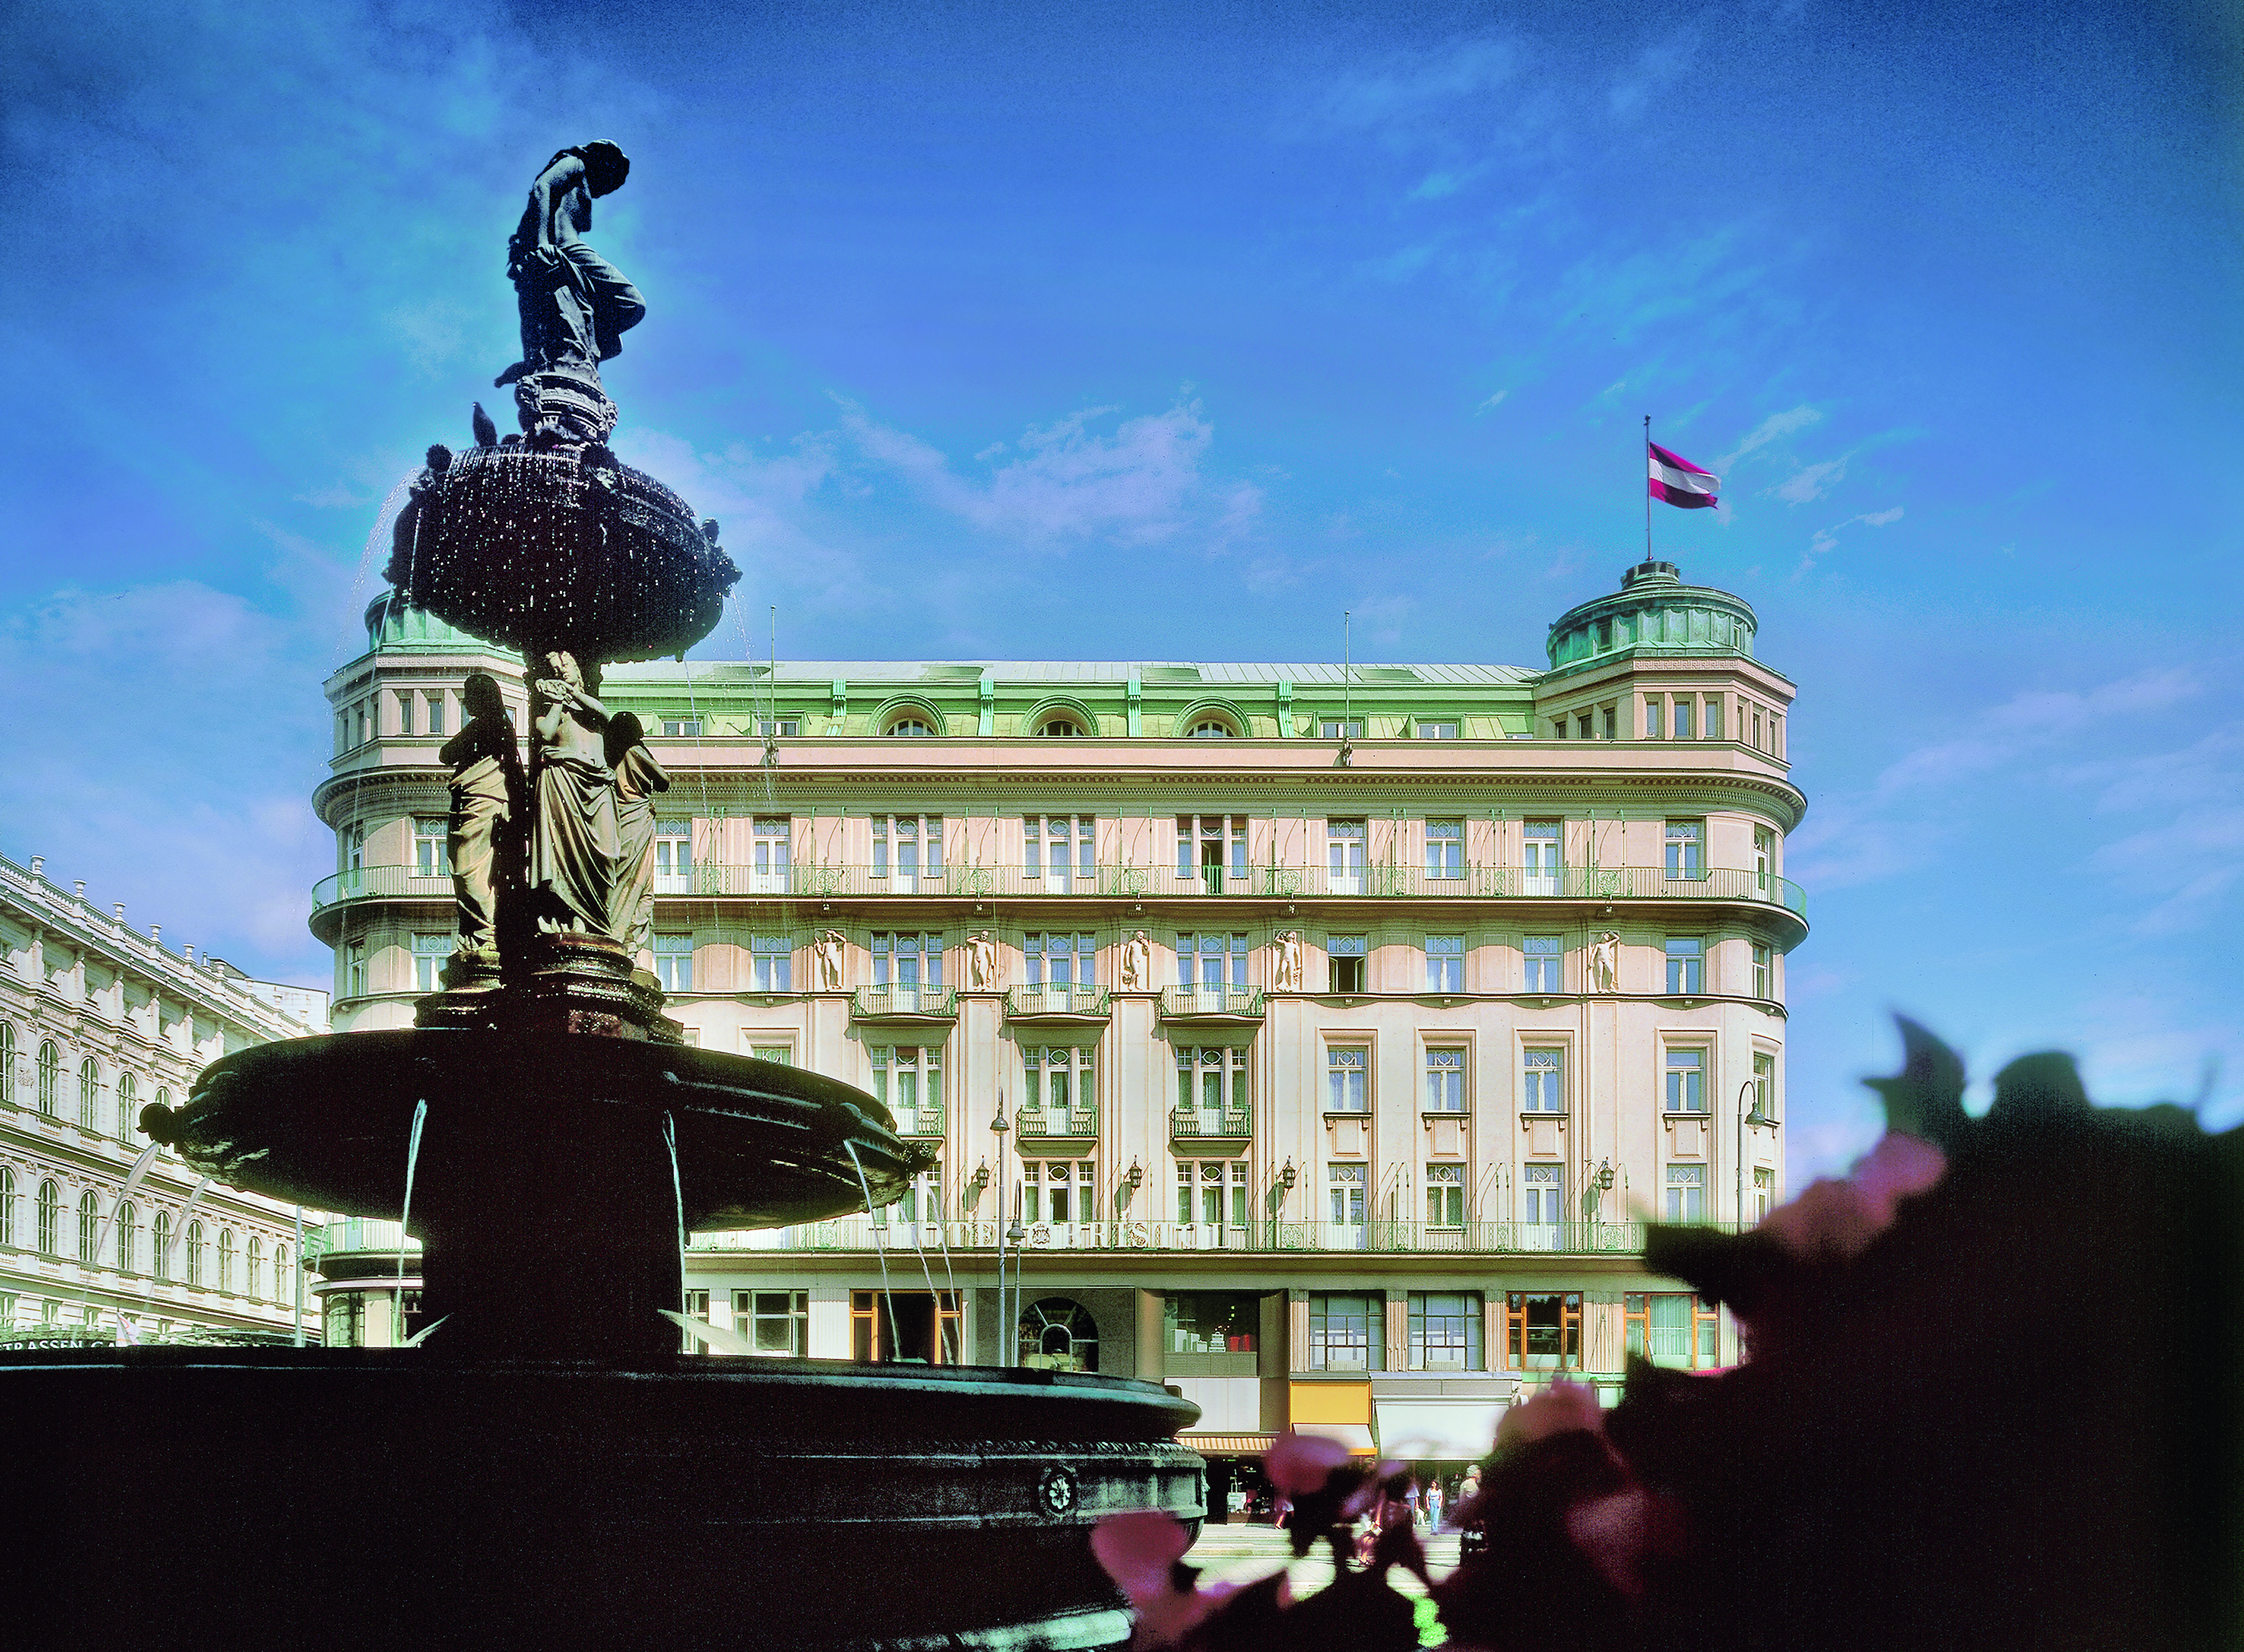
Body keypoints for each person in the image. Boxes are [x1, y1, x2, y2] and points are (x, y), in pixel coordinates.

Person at [497, 142, 644, 389]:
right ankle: (551, 355)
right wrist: (543, 241)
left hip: (571, 250)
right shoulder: (575, 164)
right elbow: (542, 187)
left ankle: (551, 355)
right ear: (603, 161)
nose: (608, 185)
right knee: (633, 303)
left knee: (611, 346)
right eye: (611, 173)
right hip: (568, 249)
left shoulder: (583, 181)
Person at [527, 650, 620, 937]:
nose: (561, 672)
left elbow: (603, 715)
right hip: (561, 781)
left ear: (579, 670)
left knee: (606, 851)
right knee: (562, 852)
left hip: (596, 784)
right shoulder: (550, 704)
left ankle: (596, 917)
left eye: (565, 666)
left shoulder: (589, 705)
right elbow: (545, 732)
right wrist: (557, 702)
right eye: (555, 670)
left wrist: (572, 694)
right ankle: (569, 917)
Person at [439, 672, 524, 970]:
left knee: (471, 871)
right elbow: (446, 755)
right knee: (467, 871)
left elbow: (447, 754)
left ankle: (488, 933)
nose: (465, 701)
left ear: (483, 697)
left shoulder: (494, 725)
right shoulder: (486, 727)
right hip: (470, 799)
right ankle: (480, 934)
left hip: (485, 802)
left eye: (469, 695)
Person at [604, 712, 671, 961]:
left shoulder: (608, 757)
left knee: (619, 877)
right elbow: (664, 780)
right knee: (638, 882)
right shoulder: (634, 751)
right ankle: (625, 942)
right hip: (637, 819)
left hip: (616, 818)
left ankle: (612, 930)